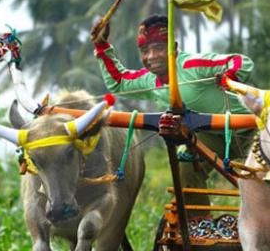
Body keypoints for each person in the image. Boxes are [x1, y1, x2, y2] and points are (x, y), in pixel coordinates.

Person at [91, 15, 254, 208]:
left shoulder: (192, 65)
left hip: (251, 130)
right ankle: (199, 225)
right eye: (144, 50)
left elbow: (240, 62)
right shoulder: (149, 81)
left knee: (266, 169)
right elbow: (119, 82)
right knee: (184, 159)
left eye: (159, 48)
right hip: (212, 137)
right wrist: (101, 45)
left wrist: (229, 77)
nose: (151, 56)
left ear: (174, 49)